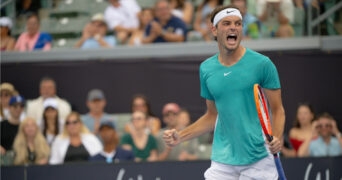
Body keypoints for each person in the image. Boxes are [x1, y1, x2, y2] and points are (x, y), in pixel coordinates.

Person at [163, 5, 285, 179]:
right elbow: (212, 115)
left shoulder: (263, 64)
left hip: (259, 157)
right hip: (223, 158)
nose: (233, 27)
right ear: (214, 30)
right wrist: (180, 136)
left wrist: (277, 139)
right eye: (226, 23)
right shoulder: (206, 69)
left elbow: (278, 110)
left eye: (237, 23)